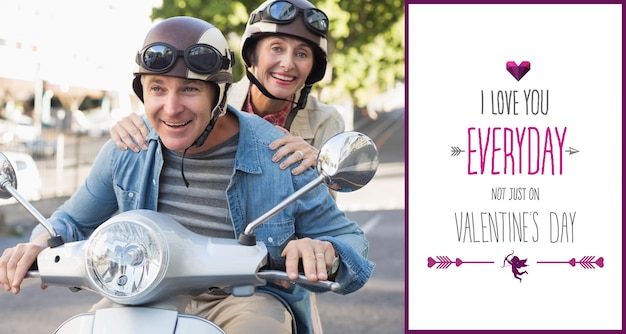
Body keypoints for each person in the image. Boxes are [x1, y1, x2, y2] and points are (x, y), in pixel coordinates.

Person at [0, 16, 373, 334]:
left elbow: (348, 239)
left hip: (243, 298)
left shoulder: (278, 153)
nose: (171, 108)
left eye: (191, 89)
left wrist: (326, 251)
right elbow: (69, 220)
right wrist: (37, 243)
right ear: (141, 92)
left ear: (219, 95)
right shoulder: (128, 147)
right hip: (145, 293)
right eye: (157, 89)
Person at [110, 0, 345, 177]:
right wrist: (132, 128)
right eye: (276, 48)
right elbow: (171, 117)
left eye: (302, 54)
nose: (287, 63)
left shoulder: (327, 121)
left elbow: (323, 220)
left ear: (314, 67)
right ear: (252, 54)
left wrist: (320, 168)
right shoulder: (214, 99)